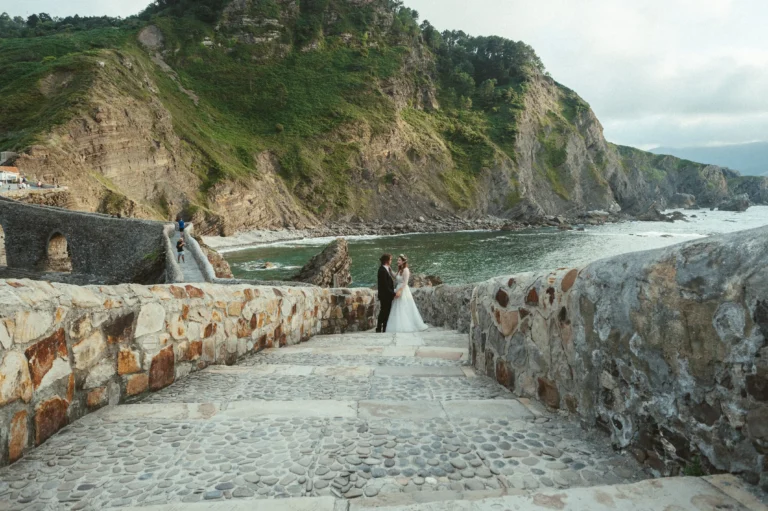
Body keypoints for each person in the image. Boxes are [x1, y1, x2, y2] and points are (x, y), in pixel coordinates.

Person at [386, 254, 429, 333]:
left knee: (404, 307)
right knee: (398, 308)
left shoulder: (406, 270)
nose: (397, 261)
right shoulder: (399, 270)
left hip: (403, 290)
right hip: (398, 288)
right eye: (397, 260)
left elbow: (405, 283)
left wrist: (399, 291)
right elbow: (395, 276)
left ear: (403, 261)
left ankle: (407, 325)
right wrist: (389, 269)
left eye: (399, 260)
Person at [376, 253, 396, 333]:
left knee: (386, 312)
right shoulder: (382, 270)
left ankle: (384, 328)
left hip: (387, 295)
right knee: (383, 312)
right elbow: (385, 286)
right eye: (390, 259)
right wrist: (393, 293)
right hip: (385, 296)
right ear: (387, 261)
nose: (391, 261)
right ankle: (378, 328)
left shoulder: (386, 269)